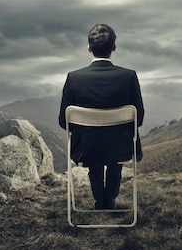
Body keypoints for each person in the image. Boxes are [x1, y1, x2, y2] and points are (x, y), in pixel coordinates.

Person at [59, 23, 145, 210]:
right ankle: (110, 200)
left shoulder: (74, 78)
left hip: (87, 148)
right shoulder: (128, 76)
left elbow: (62, 120)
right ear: (114, 47)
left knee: (95, 155)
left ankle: (100, 201)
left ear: (89, 48)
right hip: (121, 146)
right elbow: (140, 117)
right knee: (116, 157)